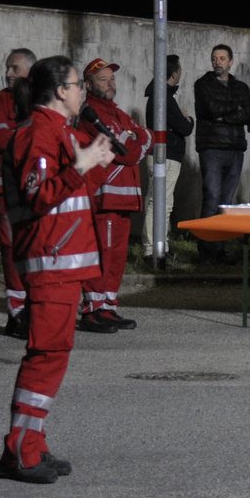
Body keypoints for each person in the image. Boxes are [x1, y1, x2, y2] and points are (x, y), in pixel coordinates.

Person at [0, 56, 113, 483]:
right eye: (77, 84)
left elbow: (70, 193)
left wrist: (92, 163)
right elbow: (40, 195)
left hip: (63, 264)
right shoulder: (37, 131)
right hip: (50, 262)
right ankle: (21, 451)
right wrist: (81, 165)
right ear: (61, 91)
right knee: (45, 356)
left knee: (54, 356)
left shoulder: (60, 131)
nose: (83, 91)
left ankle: (33, 444)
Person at [75, 58, 151, 332]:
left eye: (112, 79)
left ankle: (108, 306)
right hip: (104, 197)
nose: (110, 84)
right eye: (103, 79)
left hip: (123, 199)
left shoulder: (117, 113)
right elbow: (127, 151)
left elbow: (146, 137)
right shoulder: (91, 113)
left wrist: (136, 139)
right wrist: (135, 141)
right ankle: (92, 310)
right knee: (102, 253)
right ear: (89, 84)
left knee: (117, 255)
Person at [0, 48, 35, 337]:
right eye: (7, 68)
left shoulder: (42, 99)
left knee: (34, 252)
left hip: (37, 189)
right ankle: (17, 316)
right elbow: (1, 137)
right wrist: (34, 134)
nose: (8, 73)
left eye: (14, 68)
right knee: (11, 251)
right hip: (6, 190)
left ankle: (34, 311)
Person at [193, 44, 250, 263]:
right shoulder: (202, 85)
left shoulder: (241, 87)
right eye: (214, 58)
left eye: (221, 58)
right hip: (212, 147)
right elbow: (212, 109)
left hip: (235, 148)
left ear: (231, 61)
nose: (217, 62)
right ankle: (206, 249)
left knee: (226, 202)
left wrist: (224, 115)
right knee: (211, 196)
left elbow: (248, 113)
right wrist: (233, 110)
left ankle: (219, 248)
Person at [143, 53, 194, 255]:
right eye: (179, 71)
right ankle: (156, 249)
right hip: (166, 156)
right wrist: (188, 120)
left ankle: (155, 247)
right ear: (173, 74)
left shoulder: (157, 94)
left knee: (156, 202)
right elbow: (184, 127)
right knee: (162, 204)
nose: (180, 74)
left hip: (160, 154)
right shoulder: (163, 96)